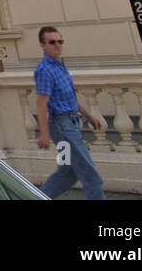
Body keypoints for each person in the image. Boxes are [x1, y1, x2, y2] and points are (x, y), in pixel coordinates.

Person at [35, 25, 106, 199]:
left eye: (60, 41)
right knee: (91, 176)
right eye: (52, 42)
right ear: (43, 45)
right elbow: (42, 103)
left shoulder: (60, 67)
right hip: (63, 128)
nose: (57, 45)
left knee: (68, 172)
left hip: (71, 123)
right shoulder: (45, 70)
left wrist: (89, 116)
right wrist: (44, 134)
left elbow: (69, 97)